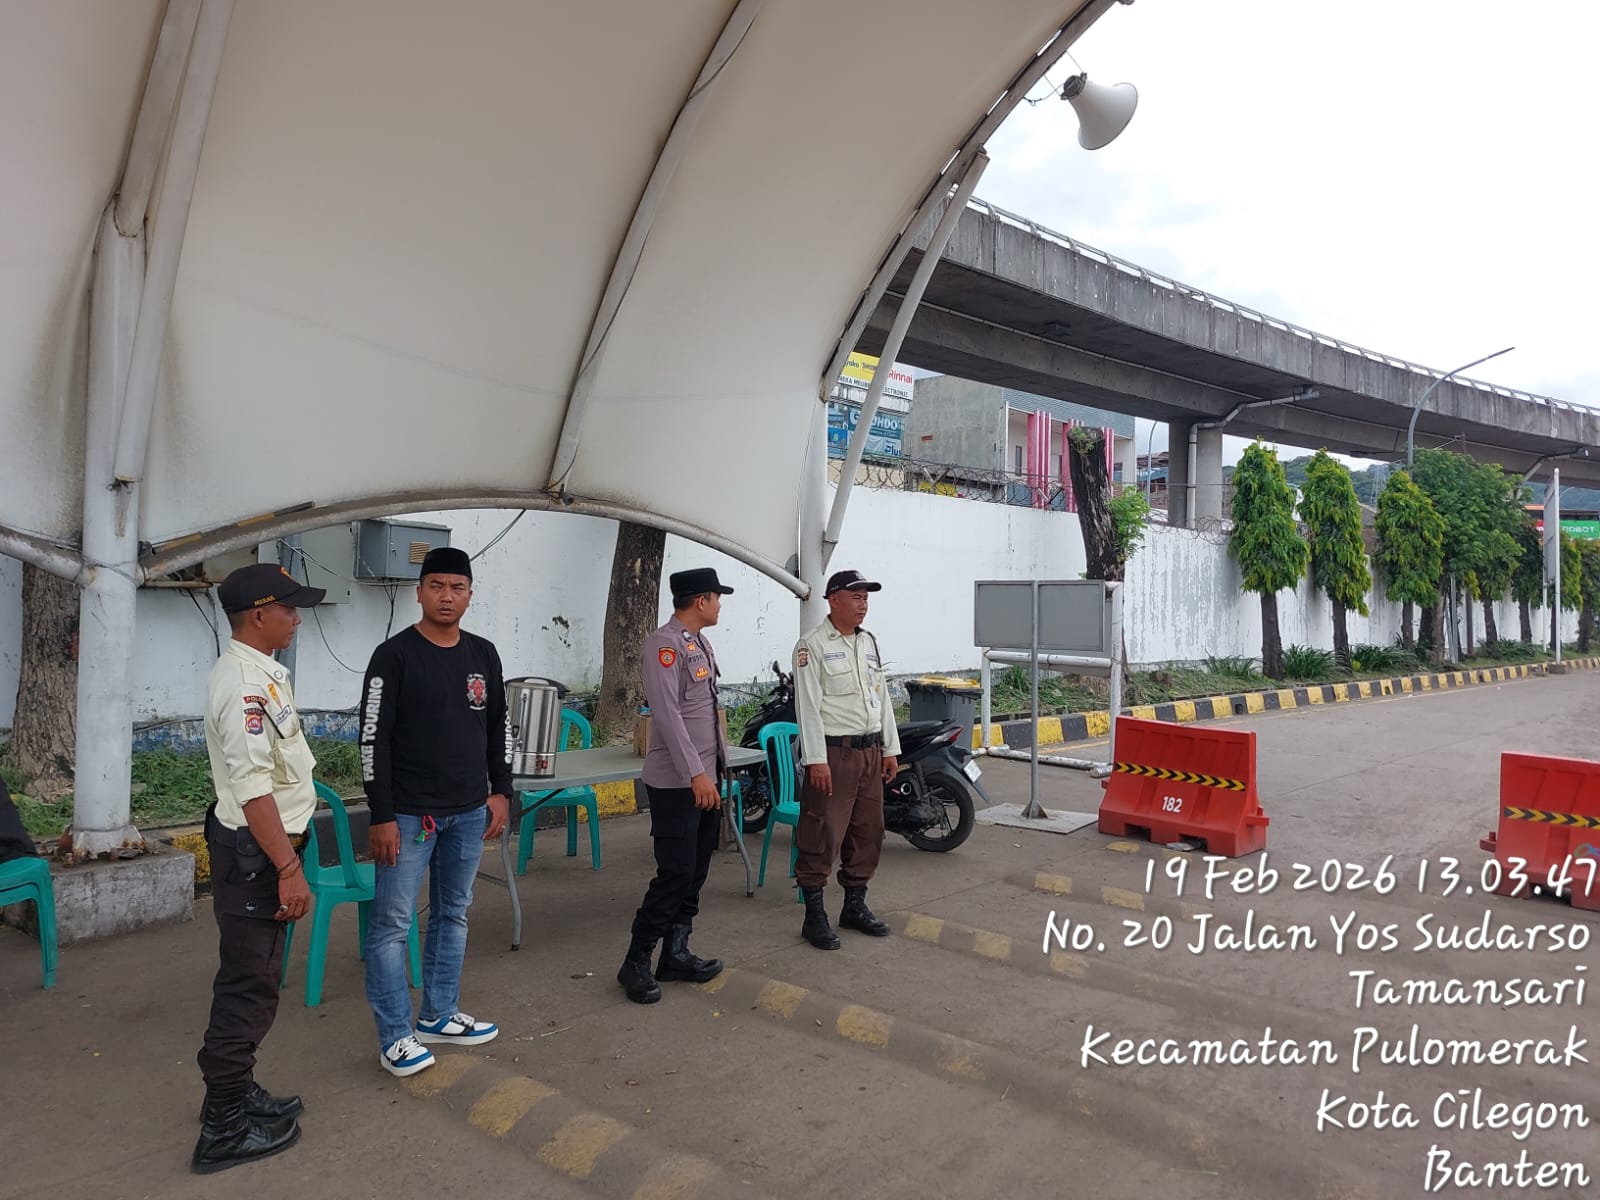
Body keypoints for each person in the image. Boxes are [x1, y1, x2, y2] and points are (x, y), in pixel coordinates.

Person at [359, 546, 512, 1078]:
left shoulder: (483, 654)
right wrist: (381, 814)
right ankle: (395, 1037)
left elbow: (498, 727)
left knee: (453, 913)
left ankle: (439, 1014)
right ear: (419, 592)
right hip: (406, 816)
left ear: (470, 595)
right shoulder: (393, 656)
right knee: (391, 925)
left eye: (457, 588)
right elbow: (372, 738)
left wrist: (501, 791)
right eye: (437, 586)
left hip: (469, 811)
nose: (447, 597)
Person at [193, 562, 325, 1173]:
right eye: (289, 608)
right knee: (248, 987)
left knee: (254, 978)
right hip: (258, 856)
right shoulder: (245, 685)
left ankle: (235, 1092)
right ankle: (222, 1129)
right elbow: (253, 790)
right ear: (259, 614)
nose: (297, 618)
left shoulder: (262, 673)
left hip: (260, 851)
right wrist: (288, 868)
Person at [617, 567, 735, 1004]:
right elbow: (667, 717)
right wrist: (695, 774)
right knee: (675, 873)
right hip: (677, 782)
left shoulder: (699, 643)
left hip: (705, 778)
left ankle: (676, 953)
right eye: (717, 598)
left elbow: (705, 712)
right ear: (701, 601)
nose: (720, 605)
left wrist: (714, 770)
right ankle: (636, 961)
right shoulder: (663, 646)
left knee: (696, 870)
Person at [790, 569, 900, 950]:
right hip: (834, 754)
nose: (863, 604)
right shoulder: (812, 646)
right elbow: (807, 707)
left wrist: (890, 748)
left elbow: (880, 696)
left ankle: (854, 906)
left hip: (870, 752)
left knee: (868, 831)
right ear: (833, 600)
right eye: (856, 597)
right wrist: (815, 760)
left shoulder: (868, 642)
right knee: (822, 832)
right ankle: (814, 916)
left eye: (866, 598)